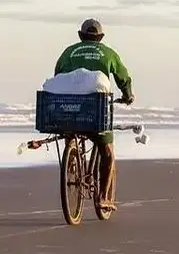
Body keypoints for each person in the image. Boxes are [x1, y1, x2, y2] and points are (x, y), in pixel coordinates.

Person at [53, 18, 135, 213]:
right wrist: (128, 95)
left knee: (70, 128)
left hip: (67, 109)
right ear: (100, 38)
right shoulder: (108, 53)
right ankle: (103, 198)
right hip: (95, 111)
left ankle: (72, 161)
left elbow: (58, 75)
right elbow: (123, 77)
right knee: (107, 152)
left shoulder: (69, 52)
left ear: (81, 36)